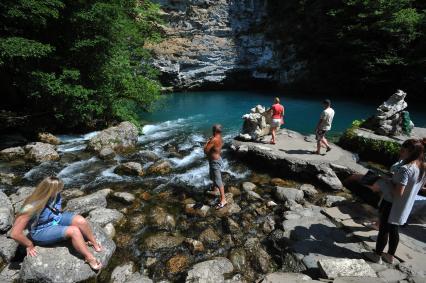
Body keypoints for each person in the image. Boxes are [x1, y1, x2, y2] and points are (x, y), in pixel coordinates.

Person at [10, 176, 103, 270]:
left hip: (56, 219)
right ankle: (89, 257)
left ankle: (93, 242)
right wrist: (29, 244)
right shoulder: (31, 206)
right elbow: (14, 233)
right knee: (74, 231)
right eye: (58, 189)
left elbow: (56, 211)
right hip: (41, 230)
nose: (60, 191)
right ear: (49, 191)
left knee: (81, 221)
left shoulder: (56, 195)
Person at [363, 139, 426, 264]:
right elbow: (413, 186)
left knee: (384, 230)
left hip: (392, 204)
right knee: (394, 230)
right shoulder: (422, 167)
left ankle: (377, 255)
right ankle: (390, 256)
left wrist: (385, 180)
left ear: (411, 152)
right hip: (405, 205)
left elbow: (398, 193)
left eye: (403, 150)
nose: (400, 151)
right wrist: (393, 179)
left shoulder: (405, 169)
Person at [204, 124, 227, 209]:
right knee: (212, 176)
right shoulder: (220, 137)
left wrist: (206, 142)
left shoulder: (213, 139)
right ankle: (215, 188)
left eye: (213, 129)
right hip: (216, 159)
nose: (212, 130)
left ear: (214, 131)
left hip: (214, 161)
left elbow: (205, 151)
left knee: (218, 180)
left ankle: (223, 199)